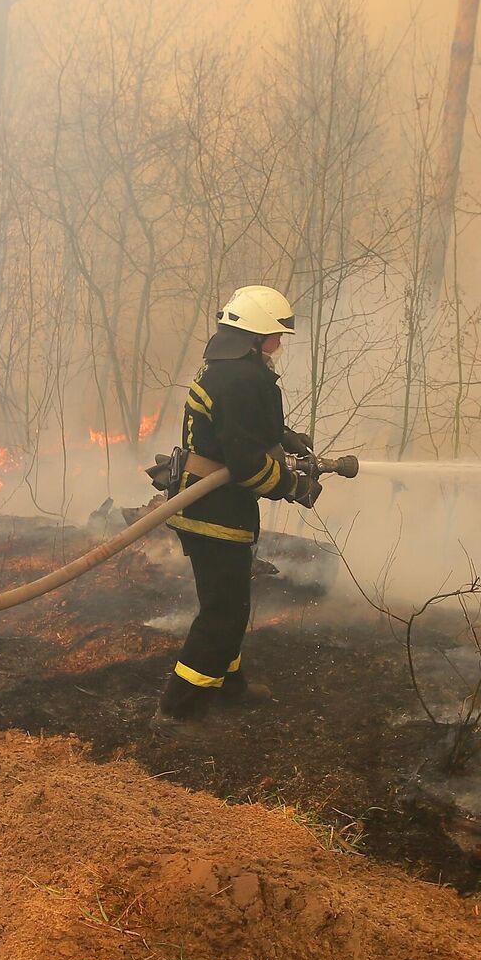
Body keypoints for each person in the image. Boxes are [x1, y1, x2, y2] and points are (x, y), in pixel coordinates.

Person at [151, 285, 322, 737]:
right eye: (275, 337)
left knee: (228, 603)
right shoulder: (243, 379)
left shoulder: (227, 371)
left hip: (205, 503)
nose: (279, 346)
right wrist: (293, 486)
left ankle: (229, 686)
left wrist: (282, 435)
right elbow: (247, 466)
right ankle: (178, 710)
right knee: (223, 612)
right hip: (215, 511)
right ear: (254, 337)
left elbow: (236, 426)